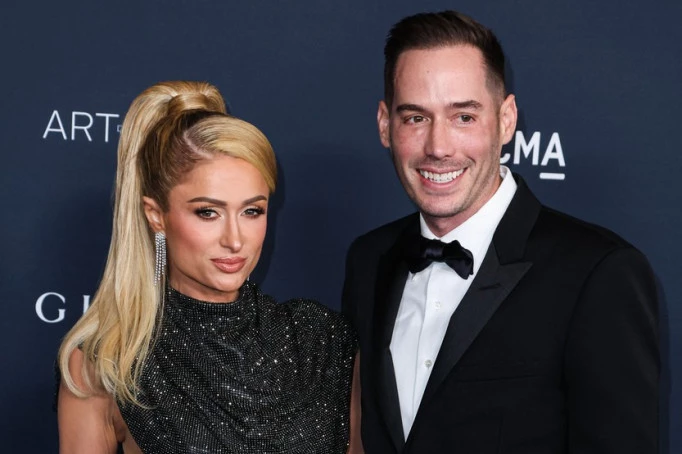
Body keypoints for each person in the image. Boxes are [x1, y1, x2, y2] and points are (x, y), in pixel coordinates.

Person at [342, 10, 658, 454]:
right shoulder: (368, 259)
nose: (438, 147)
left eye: (463, 117)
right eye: (415, 118)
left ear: (506, 119)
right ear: (384, 125)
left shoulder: (599, 274)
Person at [58, 81, 361, 454]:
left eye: (252, 211)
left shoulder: (319, 339)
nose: (235, 239)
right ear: (156, 215)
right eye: (208, 212)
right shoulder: (108, 362)